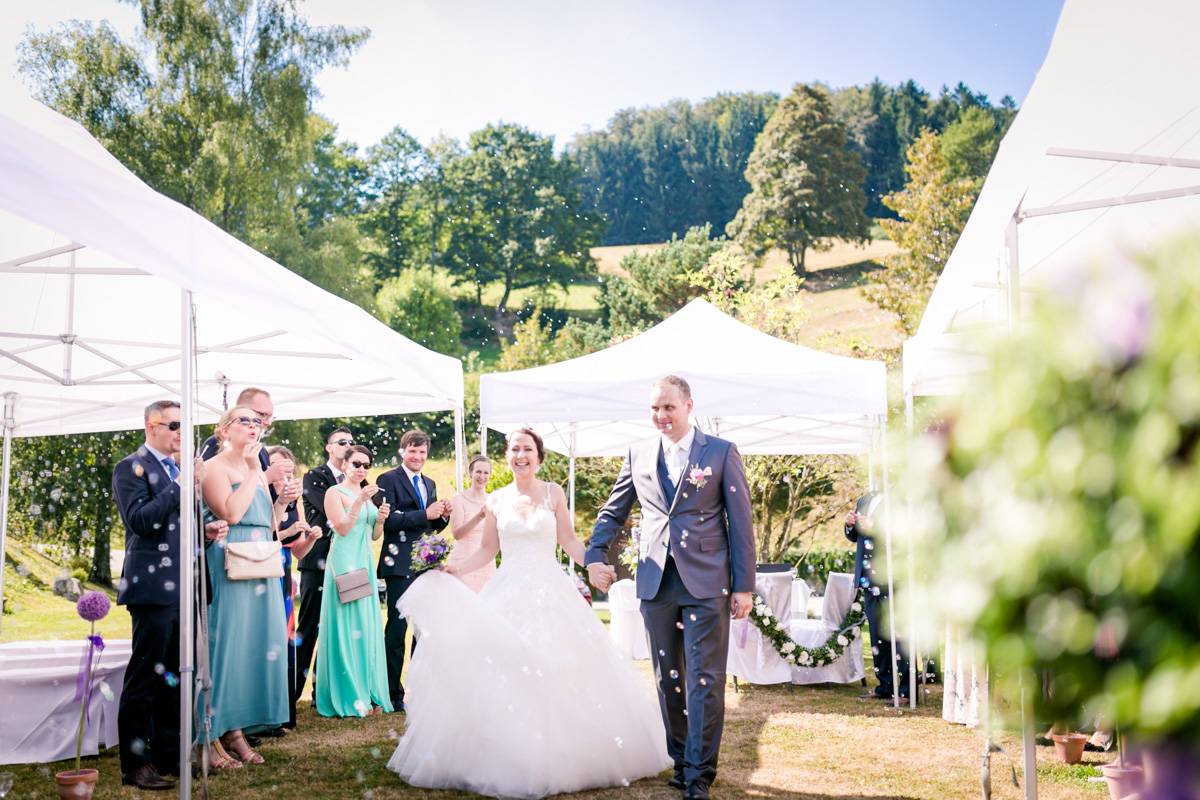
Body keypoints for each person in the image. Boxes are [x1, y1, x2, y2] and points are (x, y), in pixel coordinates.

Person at [386, 428, 670, 797]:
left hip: (551, 589)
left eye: (527, 449)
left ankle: (570, 751)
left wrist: (593, 564)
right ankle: (499, 750)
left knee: (563, 664)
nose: (520, 455)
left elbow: (568, 540)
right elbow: (488, 550)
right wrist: (457, 568)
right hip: (507, 588)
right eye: (514, 449)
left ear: (539, 455)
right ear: (508, 455)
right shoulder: (497, 500)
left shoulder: (554, 492)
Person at [586, 375, 755, 800]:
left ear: (689, 406)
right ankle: (680, 761)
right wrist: (594, 554)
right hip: (655, 580)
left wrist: (743, 586)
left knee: (704, 678)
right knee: (668, 678)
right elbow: (613, 510)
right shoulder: (638, 454)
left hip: (707, 582)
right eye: (655, 409)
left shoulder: (719, 452)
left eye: (669, 408)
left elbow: (741, 523)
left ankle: (700, 774)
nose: (661, 416)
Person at [112, 400, 226, 790]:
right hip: (152, 588)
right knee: (145, 677)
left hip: (185, 586)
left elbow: (178, 529)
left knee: (176, 677)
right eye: (175, 424)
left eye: (185, 424)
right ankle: (136, 763)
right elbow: (142, 522)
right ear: (151, 426)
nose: (182, 431)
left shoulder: (179, 470)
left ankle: (170, 754)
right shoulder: (131, 467)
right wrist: (180, 487)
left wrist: (204, 534)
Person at [200, 405, 300, 765]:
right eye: (245, 420)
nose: (254, 427)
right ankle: (209, 737)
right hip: (229, 561)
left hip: (261, 560)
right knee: (227, 648)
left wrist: (282, 503)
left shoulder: (253, 468)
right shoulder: (215, 467)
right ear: (224, 430)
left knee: (252, 647)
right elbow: (231, 513)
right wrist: (257, 471)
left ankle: (236, 731)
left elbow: (267, 524)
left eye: (258, 422)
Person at [375, 429, 451, 712]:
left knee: (424, 630)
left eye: (422, 452)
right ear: (402, 452)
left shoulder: (429, 482)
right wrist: (425, 514)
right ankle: (392, 694)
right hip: (398, 566)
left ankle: (417, 691)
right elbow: (389, 521)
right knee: (396, 631)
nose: (417, 456)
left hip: (424, 565)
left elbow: (429, 526)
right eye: (412, 451)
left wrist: (442, 515)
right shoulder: (388, 479)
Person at [314, 445, 393, 717]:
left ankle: (367, 691)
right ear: (345, 464)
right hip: (345, 562)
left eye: (366, 465)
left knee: (365, 626)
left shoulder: (367, 495)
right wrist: (359, 500)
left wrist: (380, 520)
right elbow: (344, 529)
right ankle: (350, 695)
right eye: (357, 463)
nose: (362, 469)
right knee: (348, 625)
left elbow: (373, 536)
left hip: (364, 563)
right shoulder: (334, 493)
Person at [295, 427, 355, 707]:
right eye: (341, 442)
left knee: (338, 627)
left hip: (347, 562)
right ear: (329, 448)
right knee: (308, 628)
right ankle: (291, 693)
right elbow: (336, 512)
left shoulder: (355, 479)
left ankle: (324, 694)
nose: (347, 446)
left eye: (351, 443)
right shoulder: (315, 476)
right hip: (317, 560)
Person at [267, 445, 323, 732]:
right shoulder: (261, 493)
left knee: (284, 641)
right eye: (278, 466)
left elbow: (298, 551)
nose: (284, 472)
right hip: (261, 570)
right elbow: (259, 533)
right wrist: (287, 532)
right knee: (266, 640)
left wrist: (310, 538)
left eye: (289, 468)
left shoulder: (294, 500)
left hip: (284, 570)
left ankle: (283, 712)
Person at [845, 492, 910, 702]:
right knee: (877, 635)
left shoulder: (902, 498)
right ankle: (885, 686)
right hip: (867, 577)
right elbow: (855, 536)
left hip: (892, 575)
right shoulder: (864, 499)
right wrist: (849, 525)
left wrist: (879, 528)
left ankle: (907, 691)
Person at [445, 454, 496, 593]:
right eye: (478, 472)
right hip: (463, 561)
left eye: (486, 473)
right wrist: (480, 516)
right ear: (470, 473)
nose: (482, 476)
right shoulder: (458, 499)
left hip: (486, 563)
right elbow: (457, 534)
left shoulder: (493, 499)